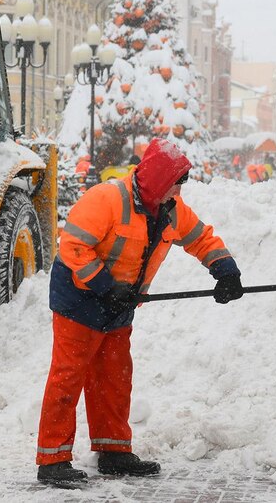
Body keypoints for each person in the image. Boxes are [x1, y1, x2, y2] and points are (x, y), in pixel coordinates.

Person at [36, 138, 244, 485]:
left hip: (120, 302)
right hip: (79, 296)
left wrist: (225, 270)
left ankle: (114, 452)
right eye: (176, 182)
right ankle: (52, 459)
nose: (179, 189)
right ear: (159, 181)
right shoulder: (107, 199)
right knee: (68, 376)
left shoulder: (171, 209)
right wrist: (104, 286)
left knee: (114, 377)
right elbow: (73, 246)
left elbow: (200, 238)